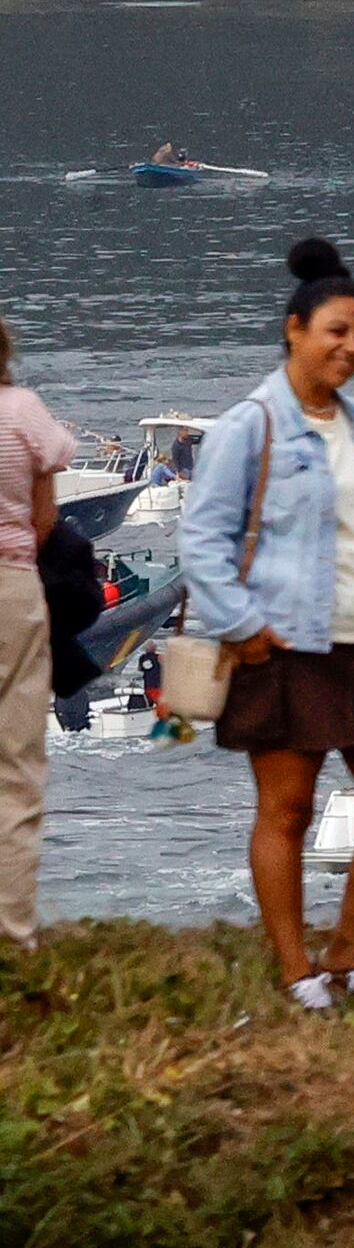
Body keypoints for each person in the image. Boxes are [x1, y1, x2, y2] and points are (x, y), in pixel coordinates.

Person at [185, 239, 354, 1009]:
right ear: (294, 329)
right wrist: (243, 624)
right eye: (336, 330)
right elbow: (200, 538)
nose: (351, 348)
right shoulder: (249, 426)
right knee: (285, 811)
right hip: (286, 644)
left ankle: (348, 953)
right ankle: (297, 972)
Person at [0, 314, 83, 947]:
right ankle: (11, 932)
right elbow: (46, 512)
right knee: (17, 766)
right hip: (10, 586)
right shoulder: (22, 411)